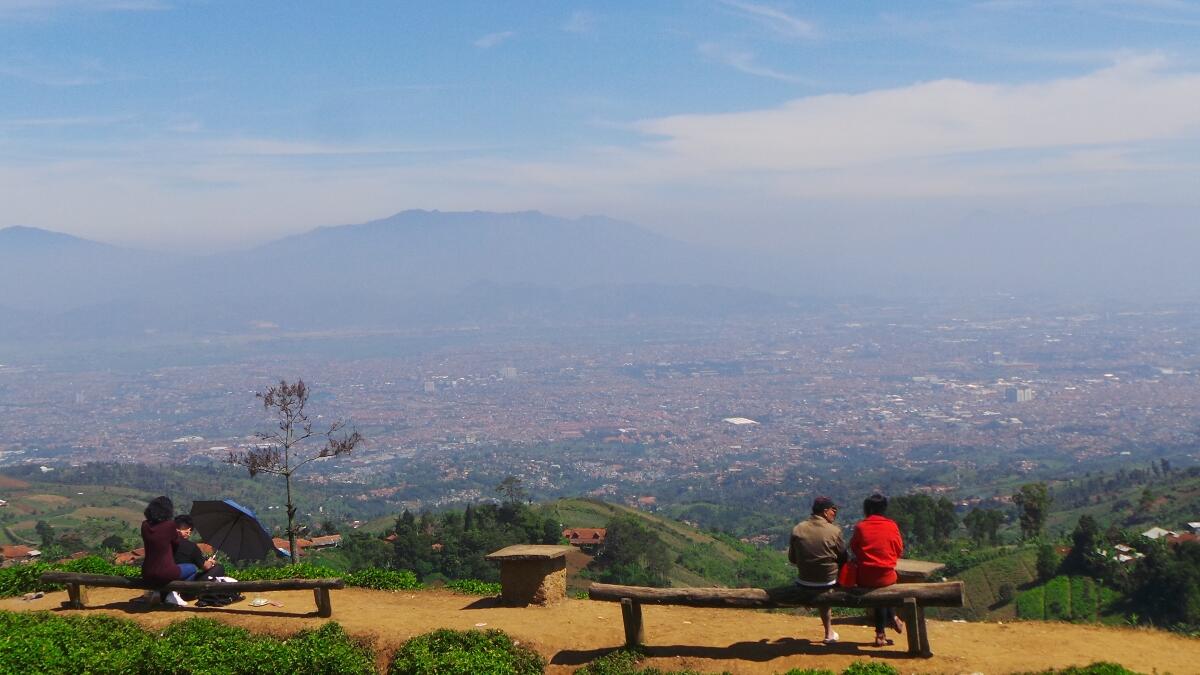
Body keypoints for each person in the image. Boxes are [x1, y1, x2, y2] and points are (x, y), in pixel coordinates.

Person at [788, 496, 847, 644]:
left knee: (819, 583)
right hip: (828, 583)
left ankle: (826, 626)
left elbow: (792, 559)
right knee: (826, 583)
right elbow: (844, 559)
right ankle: (829, 632)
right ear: (825, 512)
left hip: (803, 582)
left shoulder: (798, 529)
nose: (835, 514)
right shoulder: (834, 531)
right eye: (834, 510)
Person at [850, 493, 905, 647]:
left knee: (877, 590)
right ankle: (892, 619)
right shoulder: (892, 525)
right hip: (887, 576)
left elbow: (854, 548)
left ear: (867, 508)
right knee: (883, 588)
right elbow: (899, 550)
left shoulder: (860, 526)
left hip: (864, 577)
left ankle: (881, 633)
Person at [140, 496, 196, 606]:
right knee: (192, 568)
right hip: (165, 572)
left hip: (147, 572)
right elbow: (176, 543)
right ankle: (174, 593)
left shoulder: (145, 526)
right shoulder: (170, 525)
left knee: (161, 576)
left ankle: (158, 592)